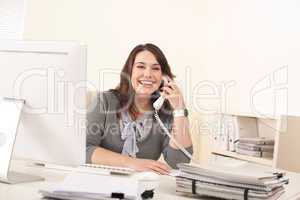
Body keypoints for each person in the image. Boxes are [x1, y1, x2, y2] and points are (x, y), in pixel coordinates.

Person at [86, 43, 193, 175]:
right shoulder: (105, 101)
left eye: (155, 68)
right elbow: (85, 150)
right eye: (141, 66)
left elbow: (179, 162)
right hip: (99, 181)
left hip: (140, 186)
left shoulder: (164, 113)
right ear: (129, 71)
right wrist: (132, 163)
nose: (148, 74)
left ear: (164, 78)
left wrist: (179, 110)